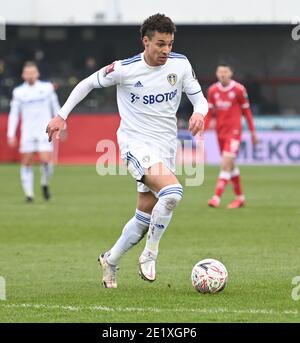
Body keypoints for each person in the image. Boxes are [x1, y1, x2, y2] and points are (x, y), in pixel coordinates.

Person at [46, 14, 208, 288]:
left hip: (166, 147)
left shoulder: (180, 64)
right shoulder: (124, 69)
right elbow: (87, 83)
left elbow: (199, 98)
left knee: (144, 217)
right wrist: (61, 115)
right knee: (173, 193)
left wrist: (199, 113)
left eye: (169, 43)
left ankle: (110, 259)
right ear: (145, 41)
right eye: (160, 44)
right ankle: (150, 253)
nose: (166, 50)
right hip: (136, 144)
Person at [205, 63, 258, 209]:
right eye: (220, 71)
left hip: (234, 132)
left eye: (225, 71)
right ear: (216, 73)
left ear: (231, 73)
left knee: (225, 162)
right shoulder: (212, 90)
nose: (223, 74)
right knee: (231, 165)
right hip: (220, 132)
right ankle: (240, 198)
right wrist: (202, 129)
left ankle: (216, 197)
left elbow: (247, 112)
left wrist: (253, 132)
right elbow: (209, 113)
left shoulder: (239, 90)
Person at [7, 61, 60, 202]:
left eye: (33, 73)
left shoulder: (47, 88)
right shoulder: (18, 92)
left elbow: (55, 106)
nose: (30, 75)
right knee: (27, 162)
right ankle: (29, 194)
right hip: (28, 133)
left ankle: (44, 183)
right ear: (23, 75)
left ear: (37, 74)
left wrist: (62, 123)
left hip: (45, 131)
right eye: (27, 73)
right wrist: (10, 134)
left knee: (45, 159)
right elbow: (14, 114)